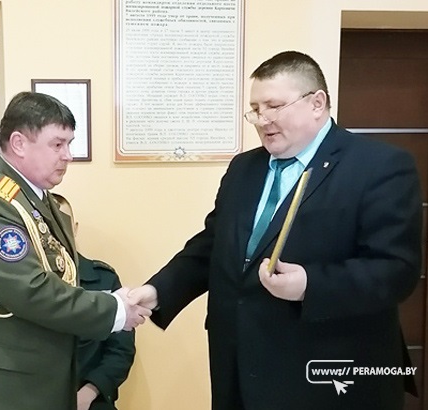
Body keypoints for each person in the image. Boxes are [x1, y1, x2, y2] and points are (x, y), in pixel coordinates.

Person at [129, 51, 423, 410]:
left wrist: (310, 285)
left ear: (317, 103)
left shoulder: (379, 166)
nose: (262, 120)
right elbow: (214, 245)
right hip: (238, 367)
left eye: (274, 106)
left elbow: (396, 270)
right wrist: (158, 290)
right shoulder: (244, 168)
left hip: (325, 376)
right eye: (255, 109)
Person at [0, 91, 150, 410]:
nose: (68, 156)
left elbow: (61, 276)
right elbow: (32, 290)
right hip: (0, 390)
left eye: (69, 144)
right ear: (19, 143)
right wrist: (115, 310)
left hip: (32, 383)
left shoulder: (35, 200)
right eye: (57, 144)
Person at [52, 193, 135, 410]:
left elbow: (121, 350)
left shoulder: (103, 279)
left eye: (63, 223)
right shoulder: (27, 284)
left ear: (75, 228)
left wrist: (89, 393)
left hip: (92, 400)